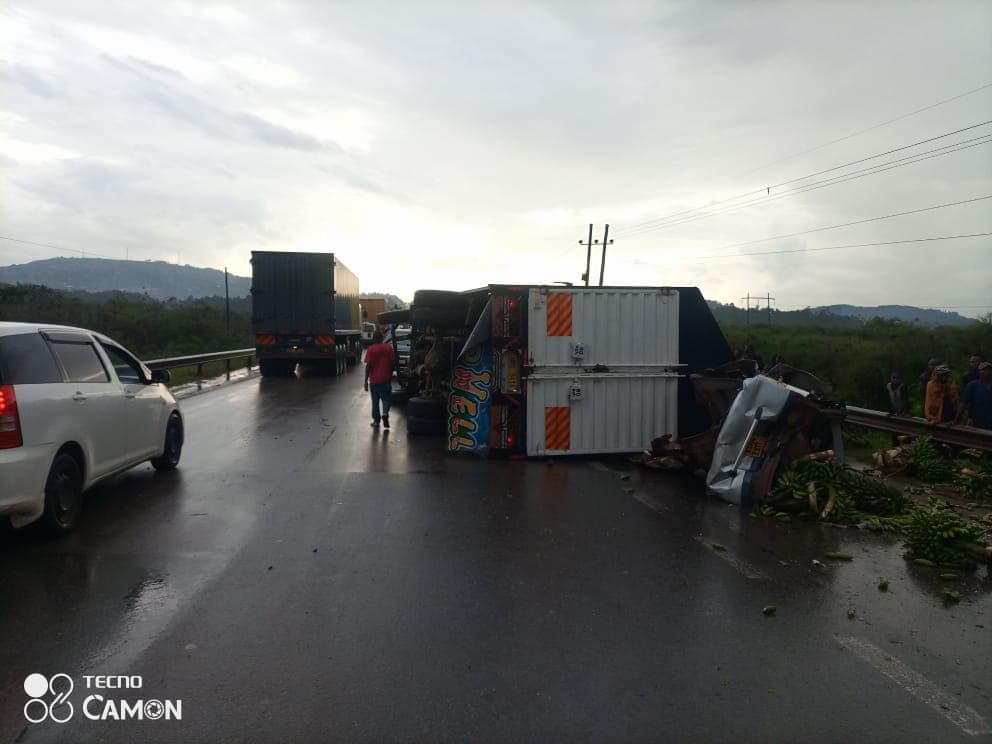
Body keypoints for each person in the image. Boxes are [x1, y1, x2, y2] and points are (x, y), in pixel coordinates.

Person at [363, 330, 395, 428]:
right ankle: (385, 413)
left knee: (375, 401)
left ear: (374, 338)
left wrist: (365, 381)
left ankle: (376, 421)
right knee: (386, 398)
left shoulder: (371, 349)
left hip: (374, 380)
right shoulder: (388, 348)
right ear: (382, 338)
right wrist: (390, 375)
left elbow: (368, 366)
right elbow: (392, 363)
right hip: (386, 379)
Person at [962, 361, 992, 430]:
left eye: (990, 370)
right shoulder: (972, 385)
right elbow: (963, 403)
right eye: (985, 370)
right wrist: (956, 420)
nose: (988, 372)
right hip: (976, 422)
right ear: (979, 372)